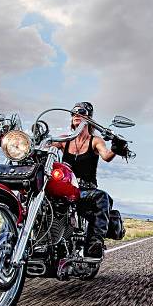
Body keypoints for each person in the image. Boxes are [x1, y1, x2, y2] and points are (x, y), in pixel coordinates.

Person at [51, 102, 128, 260]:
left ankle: (94, 244)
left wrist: (116, 148)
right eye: (73, 113)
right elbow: (43, 146)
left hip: (86, 190)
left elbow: (106, 156)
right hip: (65, 188)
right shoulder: (64, 140)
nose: (76, 115)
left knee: (103, 197)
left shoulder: (95, 140)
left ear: (89, 118)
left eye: (81, 112)